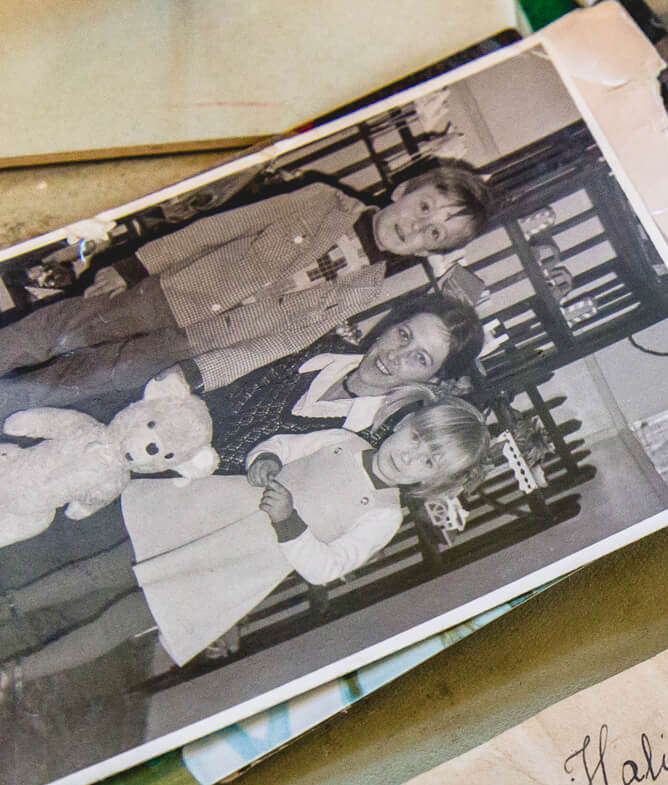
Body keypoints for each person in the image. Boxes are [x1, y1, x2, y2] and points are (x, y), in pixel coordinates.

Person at [0, 398, 490, 701]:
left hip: (232, 571)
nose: (409, 455)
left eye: (429, 461)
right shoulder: (343, 440)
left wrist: (290, 522)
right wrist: (266, 459)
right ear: (406, 420)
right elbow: (283, 445)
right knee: (100, 570)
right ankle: (12, 604)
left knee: (121, 621)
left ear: (433, 480)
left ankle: (17, 672)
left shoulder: (384, 515)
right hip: (206, 519)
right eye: (417, 437)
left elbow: (327, 567)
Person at [0, 164, 493, 419]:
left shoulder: (364, 290)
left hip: (195, 344)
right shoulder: (323, 200)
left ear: (429, 252)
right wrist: (136, 266)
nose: (418, 226)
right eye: (424, 208)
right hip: (167, 292)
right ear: (404, 190)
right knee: (59, 330)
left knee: (87, 379)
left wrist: (205, 372)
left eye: (434, 234)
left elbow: (282, 341)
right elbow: (220, 228)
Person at [198, 295, 484, 472]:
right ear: (389, 326)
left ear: (433, 380)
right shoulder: (318, 347)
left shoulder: (367, 444)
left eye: (420, 358)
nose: (396, 355)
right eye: (404, 335)